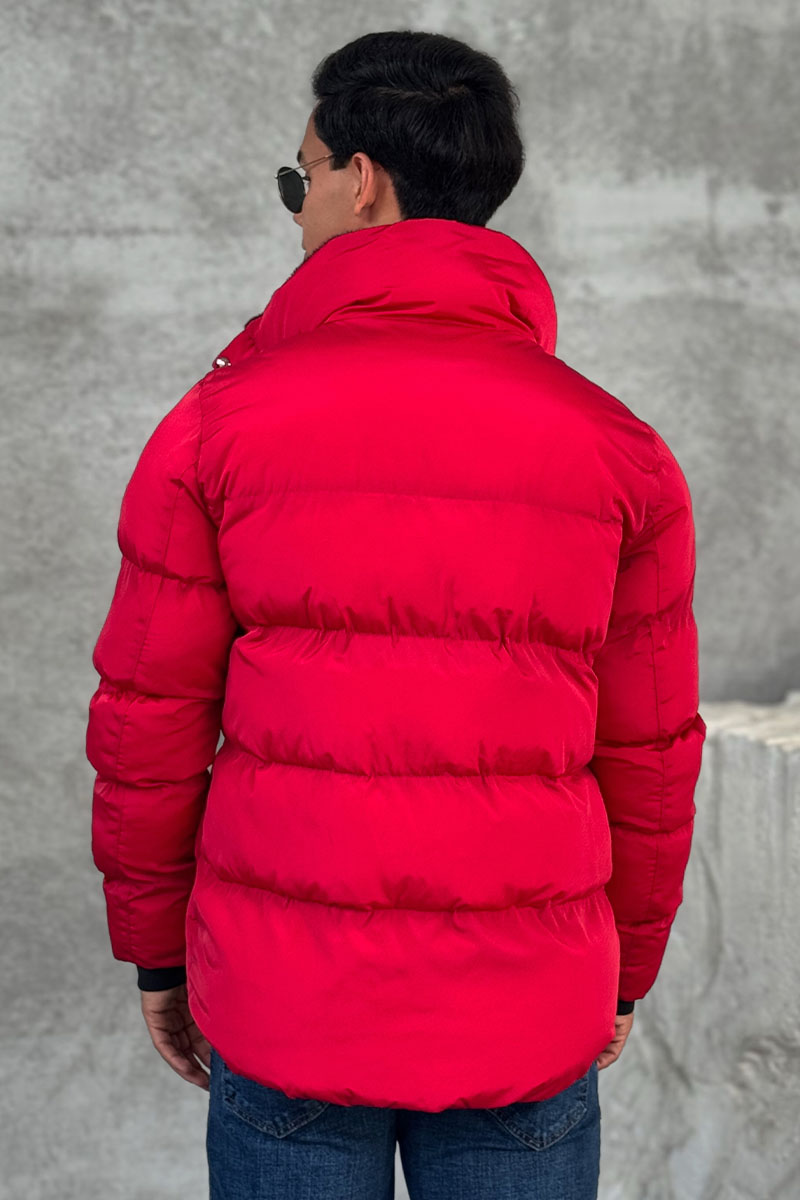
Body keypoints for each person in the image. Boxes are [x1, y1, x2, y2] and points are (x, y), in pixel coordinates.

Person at [85, 28, 706, 1200]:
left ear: (359, 178)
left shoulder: (217, 428)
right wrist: (622, 969)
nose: (299, 210)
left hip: (284, 1003)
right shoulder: (617, 450)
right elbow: (650, 749)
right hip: (525, 1007)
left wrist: (158, 952)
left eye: (299, 179)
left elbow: (148, 720)